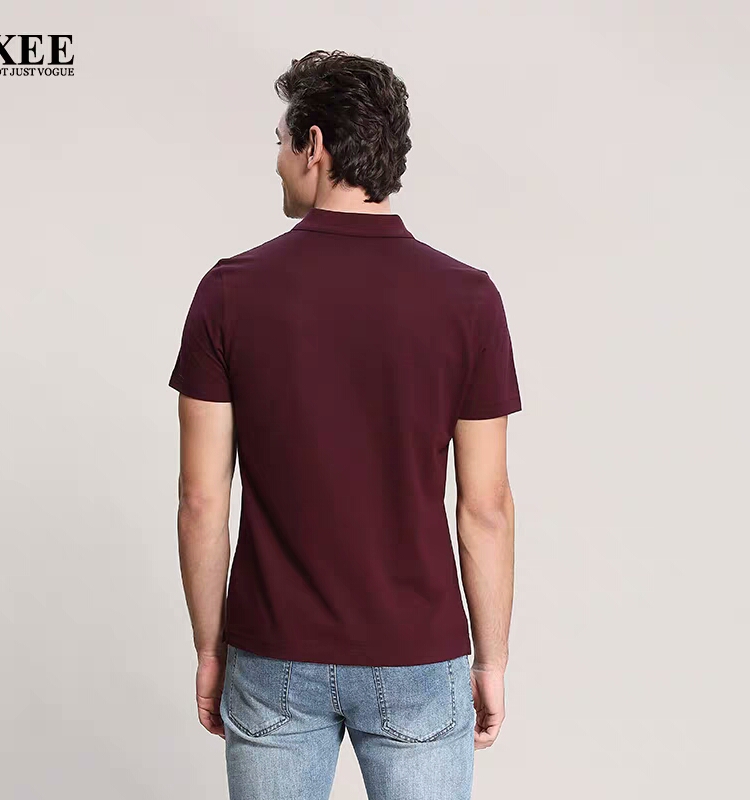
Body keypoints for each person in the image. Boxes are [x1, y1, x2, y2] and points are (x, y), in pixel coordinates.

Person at [168, 49, 523, 800]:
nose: (276, 162)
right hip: (418, 655)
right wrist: (490, 660)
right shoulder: (469, 300)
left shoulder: (229, 293)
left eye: (280, 141)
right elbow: (486, 507)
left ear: (315, 146)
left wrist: (209, 648)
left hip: (272, 653)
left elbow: (201, 499)